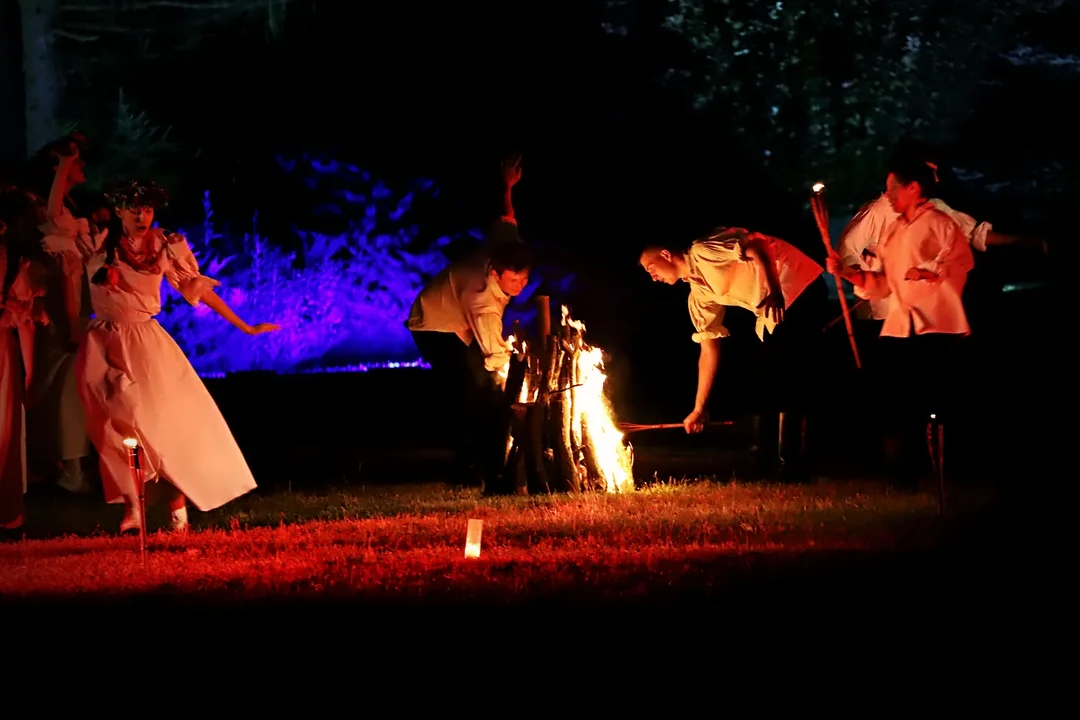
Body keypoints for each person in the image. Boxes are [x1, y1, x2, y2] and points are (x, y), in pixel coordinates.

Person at [44, 178, 279, 533]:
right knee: (114, 426)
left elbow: (193, 284)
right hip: (103, 341)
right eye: (135, 210)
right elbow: (53, 219)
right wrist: (62, 168)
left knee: (158, 426)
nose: (142, 217)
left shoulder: (164, 244)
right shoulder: (97, 241)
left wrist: (244, 326)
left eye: (148, 210)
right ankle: (133, 504)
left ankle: (176, 514)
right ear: (120, 210)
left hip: (144, 340)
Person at [826, 154, 975, 489]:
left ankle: (943, 470)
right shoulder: (892, 232)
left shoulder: (940, 222)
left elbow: (960, 261)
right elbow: (880, 285)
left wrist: (931, 271)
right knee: (891, 400)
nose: (888, 194)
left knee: (931, 401)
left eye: (893, 188)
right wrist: (848, 273)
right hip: (899, 324)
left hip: (936, 324)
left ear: (913, 188)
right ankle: (904, 476)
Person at [639, 226, 825, 481]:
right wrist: (699, 408)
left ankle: (790, 466)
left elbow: (759, 245)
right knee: (767, 375)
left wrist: (774, 289)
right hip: (773, 305)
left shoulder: (703, 250)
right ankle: (770, 464)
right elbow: (708, 350)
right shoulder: (699, 296)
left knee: (782, 372)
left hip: (796, 282)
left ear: (666, 255)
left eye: (652, 268)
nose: (653, 277)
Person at [406, 241, 532, 492]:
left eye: (525, 279)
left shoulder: (500, 255)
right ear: (496, 274)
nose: (519, 285)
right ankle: (464, 469)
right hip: (433, 324)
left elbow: (504, 232)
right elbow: (494, 354)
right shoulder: (483, 300)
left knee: (481, 387)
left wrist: (508, 210)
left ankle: (483, 459)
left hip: (457, 318)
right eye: (514, 279)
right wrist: (515, 378)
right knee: (465, 390)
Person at [24, 135, 96, 494]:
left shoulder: (67, 213)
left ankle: (64, 465)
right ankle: (70, 469)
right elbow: (65, 272)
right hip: (63, 313)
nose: (82, 167)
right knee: (64, 389)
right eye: (75, 164)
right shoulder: (53, 222)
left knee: (65, 389)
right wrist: (71, 324)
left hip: (75, 310)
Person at [0, 187, 50, 533]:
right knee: (3, 430)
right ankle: (7, 512)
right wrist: (30, 375)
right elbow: (26, 321)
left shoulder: (17, 264)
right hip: (3, 348)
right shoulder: (17, 263)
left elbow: (26, 318)